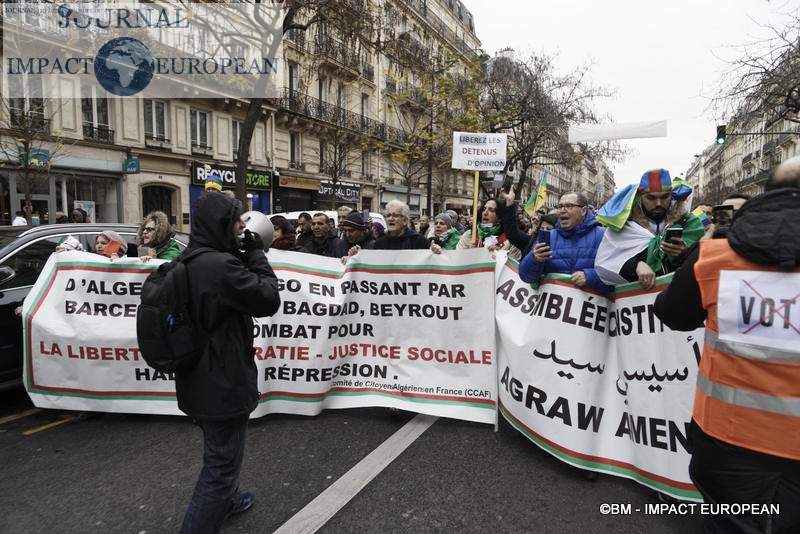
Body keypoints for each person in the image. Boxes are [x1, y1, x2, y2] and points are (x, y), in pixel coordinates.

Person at [653, 156, 800, 534]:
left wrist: (702, 252)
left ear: (764, 195)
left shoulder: (716, 257)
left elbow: (672, 313)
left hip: (728, 443)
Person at [175, 191, 281, 533]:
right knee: (220, 466)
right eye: (236, 219)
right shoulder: (218, 265)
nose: (242, 226)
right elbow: (267, 298)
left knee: (220, 452)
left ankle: (229, 500)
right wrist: (256, 254)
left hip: (199, 377)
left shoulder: (193, 257)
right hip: (221, 380)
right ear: (221, 223)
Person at [594, 168, 705, 289]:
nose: (658, 203)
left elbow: (705, 262)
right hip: (637, 301)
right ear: (640, 197)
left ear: (671, 195)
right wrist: (635, 265)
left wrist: (685, 253)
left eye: (664, 197)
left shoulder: (690, 223)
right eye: (651, 198)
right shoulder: (623, 225)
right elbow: (605, 263)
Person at [519, 192, 613, 294]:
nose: (562, 210)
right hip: (554, 306)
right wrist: (534, 259)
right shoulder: (548, 237)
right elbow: (526, 277)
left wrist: (590, 277)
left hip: (592, 306)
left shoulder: (603, 236)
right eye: (560, 206)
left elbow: (617, 277)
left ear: (583, 211)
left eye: (569, 206)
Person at [456, 198, 522, 260]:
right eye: (484, 209)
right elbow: (456, 260)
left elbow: (514, 267)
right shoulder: (469, 235)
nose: (485, 213)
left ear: (500, 217)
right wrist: (467, 254)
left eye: (491, 210)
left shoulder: (511, 240)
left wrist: (498, 256)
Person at [374, 200, 440, 252]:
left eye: (395, 216)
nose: (390, 219)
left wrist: (434, 252)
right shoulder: (379, 244)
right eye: (388, 216)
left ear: (405, 220)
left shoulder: (419, 242)